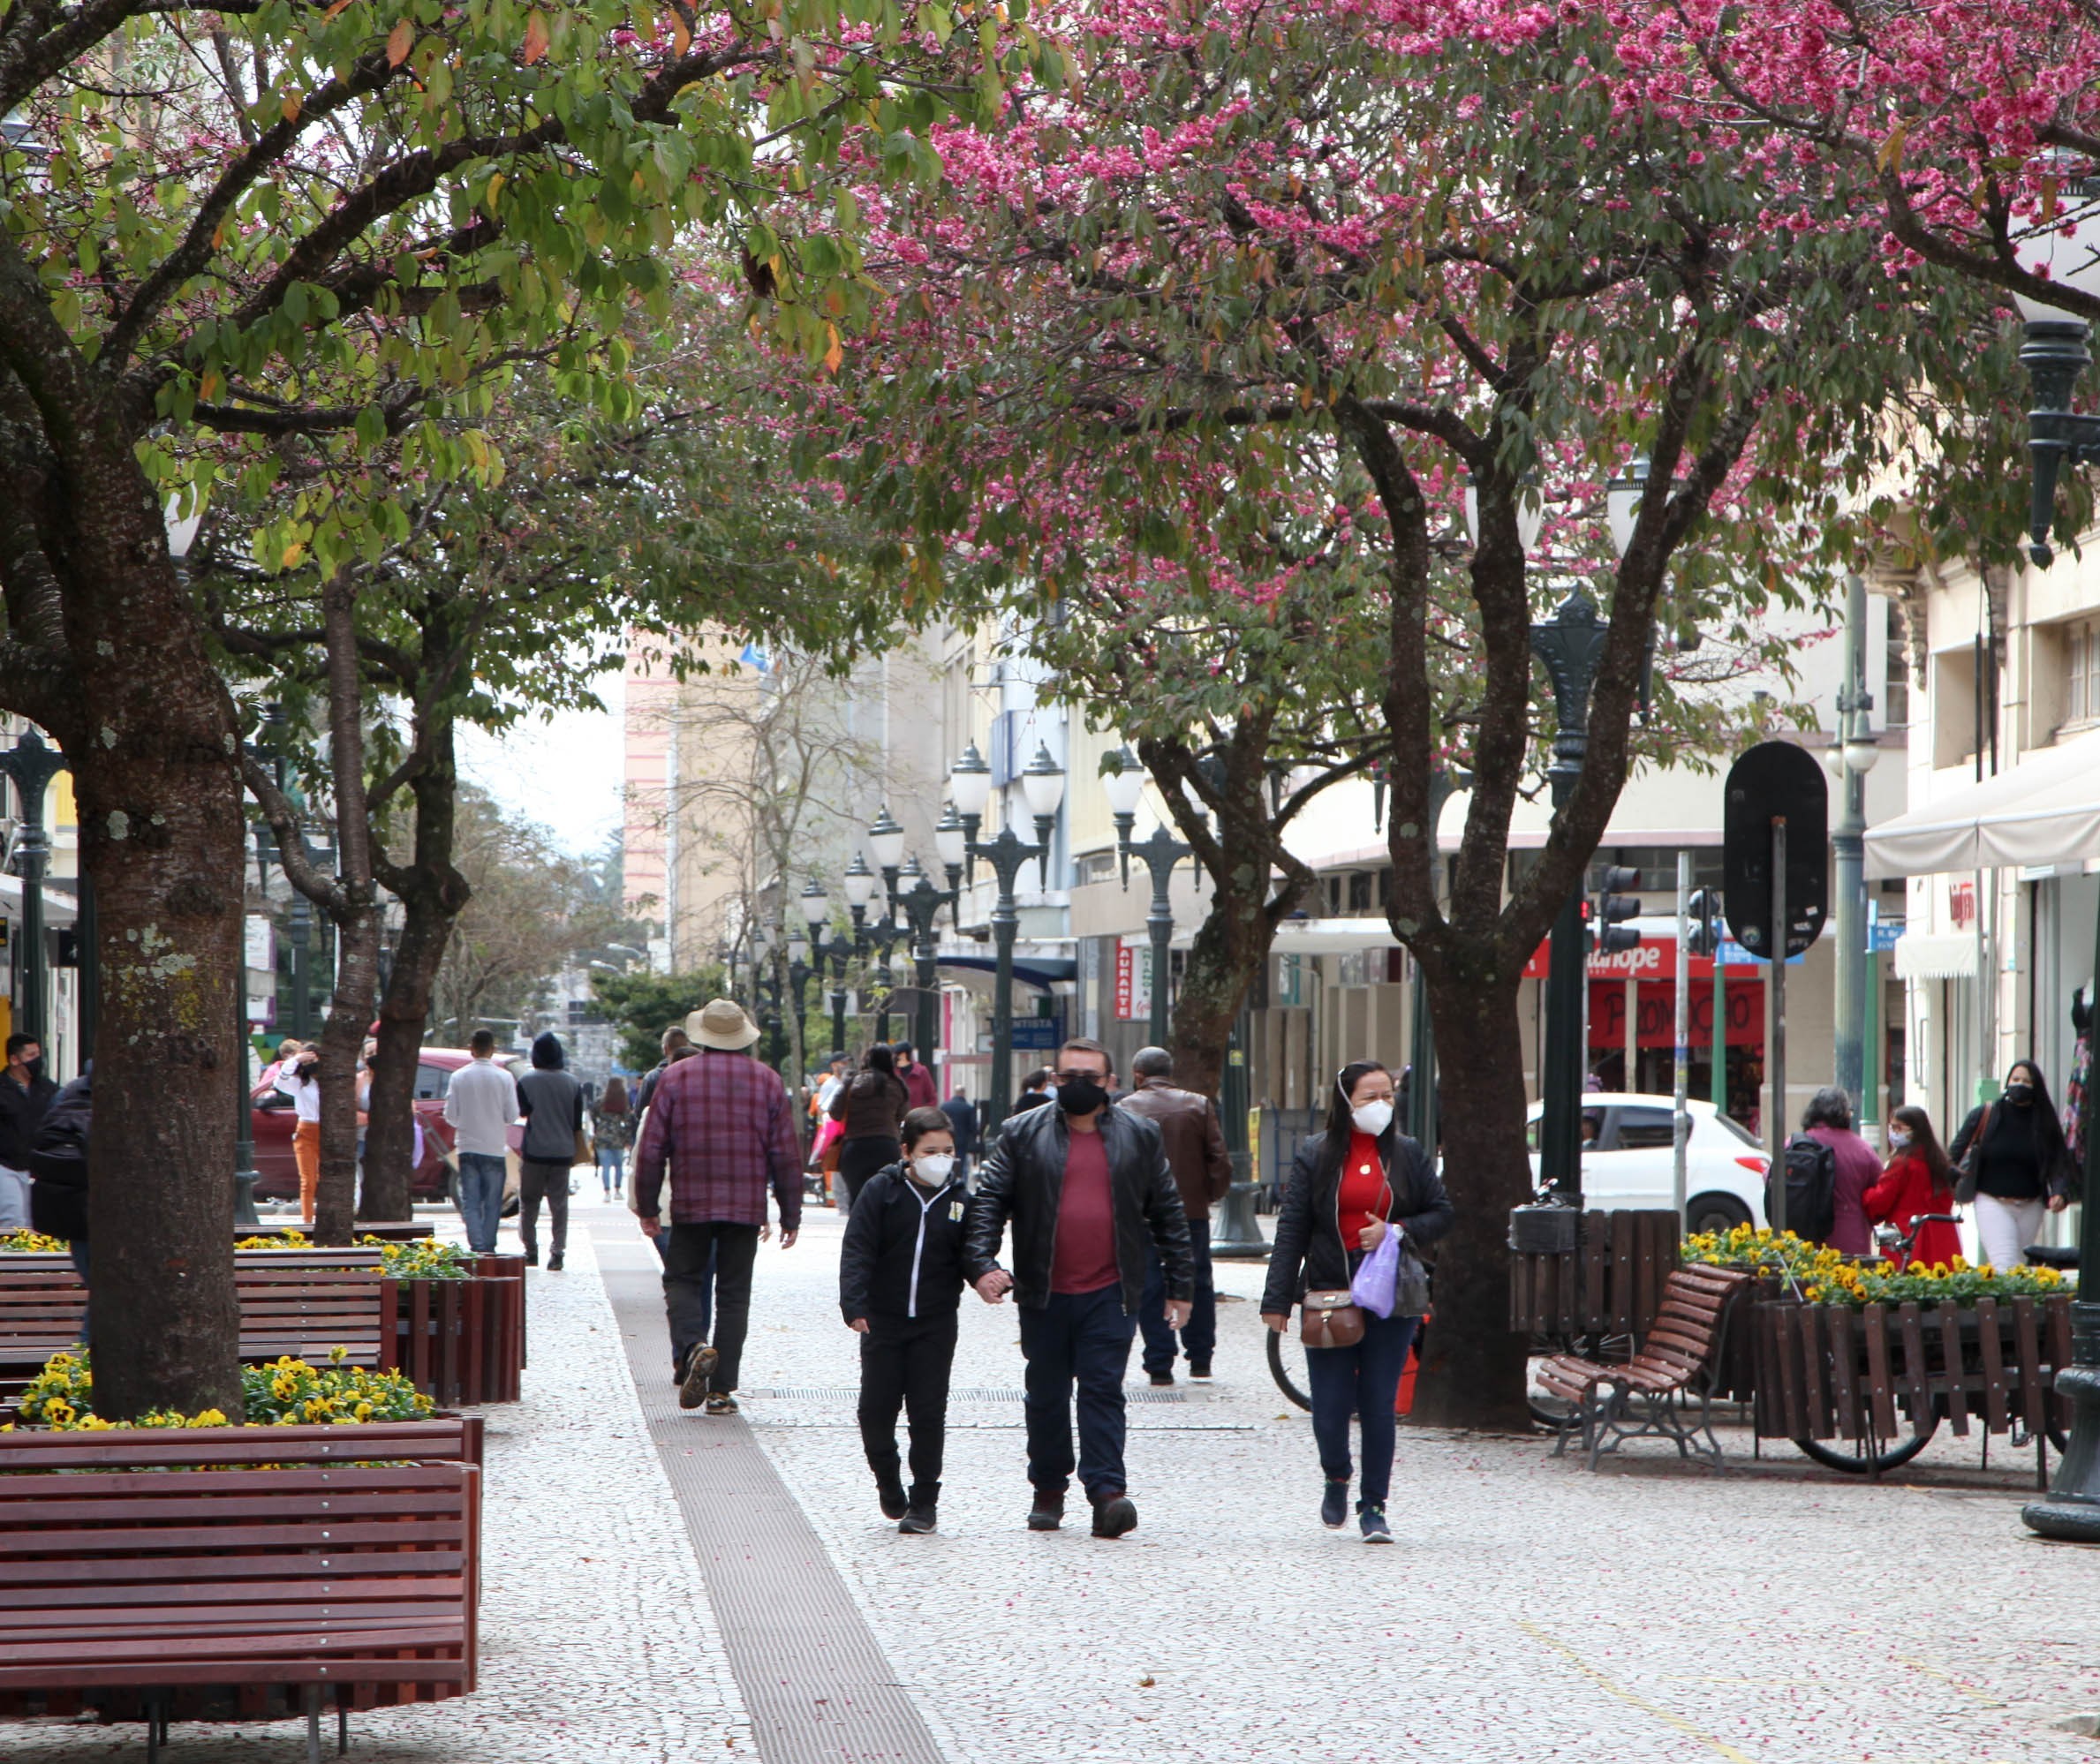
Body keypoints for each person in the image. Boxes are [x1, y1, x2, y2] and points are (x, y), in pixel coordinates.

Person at [963, 1037, 1192, 1540]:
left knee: (1102, 1390)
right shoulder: (1021, 1133)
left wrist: (1182, 1285)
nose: (1079, 1086)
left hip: (1112, 1291)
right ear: (1054, 1080)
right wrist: (982, 1264)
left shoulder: (1140, 1134)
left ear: (1112, 1083)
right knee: (1045, 1395)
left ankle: (1107, 1493)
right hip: (1044, 1291)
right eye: (1069, 1078)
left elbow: (1168, 1211)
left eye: (1090, 1077)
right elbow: (989, 1201)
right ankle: (1048, 1489)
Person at [1262, 1060, 1451, 1542]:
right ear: (1346, 1102)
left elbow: (1442, 1213)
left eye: (1387, 1095)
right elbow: (1292, 1229)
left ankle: (1374, 1506)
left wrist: (1395, 1231)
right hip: (1330, 1289)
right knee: (1329, 1404)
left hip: (1390, 1293)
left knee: (1378, 1403)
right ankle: (1336, 1475)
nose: (1381, 1105)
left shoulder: (1407, 1154)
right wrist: (1278, 1299)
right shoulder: (1316, 1155)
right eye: (1369, 1097)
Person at [634, 999, 803, 1414]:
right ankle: (721, 1390)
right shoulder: (767, 1081)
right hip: (745, 1208)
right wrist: (790, 1211)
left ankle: (693, 1348)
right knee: (733, 1295)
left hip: (691, 1203)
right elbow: (785, 1153)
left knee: (682, 1280)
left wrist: (648, 1204)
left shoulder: (674, 1079)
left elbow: (652, 1149)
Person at [840, 1105, 971, 1534]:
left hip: (935, 1323)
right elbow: (858, 1247)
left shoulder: (958, 1200)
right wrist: (855, 1304)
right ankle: (888, 1481)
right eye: (930, 1150)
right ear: (907, 1152)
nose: (940, 1159)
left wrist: (988, 1274)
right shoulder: (883, 1190)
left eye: (948, 1150)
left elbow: (972, 1251)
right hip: (883, 1320)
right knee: (875, 1411)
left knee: (927, 1412)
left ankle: (924, 1502)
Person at [1120, 1046, 1233, 1386]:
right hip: (1190, 1210)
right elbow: (1219, 1158)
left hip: (1143, 1214)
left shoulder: (1124, 1109)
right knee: (1197, 1279)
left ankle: (1159, 1362)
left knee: (1150, 1283)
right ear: (1170, 1072)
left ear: (1138, 1074)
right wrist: (1207, 1194)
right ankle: (1200, 1358)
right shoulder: (1197, 1104)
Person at [1951, 1059, 2078, 1271]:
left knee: (2016, 1264)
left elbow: (2059, 1162)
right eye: (2015, 1079)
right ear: (2007, 1082)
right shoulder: (1986, 1115)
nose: (2020, 1085)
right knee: (2005, 1264)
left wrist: (2059, 1192)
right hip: (1992, 1201)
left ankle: (2011, 1304)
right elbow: (1953, 1154)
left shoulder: (2044, 1122)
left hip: (2031, 1205)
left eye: (2027, 1081)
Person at [27, 1061, 90, 1340]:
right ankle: (87, 1361)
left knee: (104, 1292)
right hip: (102, 1211)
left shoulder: (67, 1093)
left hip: (74, 1212)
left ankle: (85, 1364)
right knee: (112, 1294)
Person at [444, 1029, 517, 1255]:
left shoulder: (458, 1076)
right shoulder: (504, 1077)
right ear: (492, 1049)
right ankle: (489, 1245)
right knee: (493, 1201)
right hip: (494, 1147)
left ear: (471, 1049)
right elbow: (512, 1115)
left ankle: (476, 1246)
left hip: (467, 1146)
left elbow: (450, 1115)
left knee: (471, 1200)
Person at [515, 1031, 583, 1270]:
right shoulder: (573, 1083)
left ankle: (530, 1250)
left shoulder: (526, 1081)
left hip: (534, 1150)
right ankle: (558, 1252)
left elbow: (522, 1112)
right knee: (559, 1204)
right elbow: (576, 1123)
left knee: (529, 1201)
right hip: (563, 1151)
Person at [1865, 1105, 1963, 1269]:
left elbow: (1879, 1202)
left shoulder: (1902, 1163)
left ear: (1915, 1130)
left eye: (1899, 1128)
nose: (1894, 1133)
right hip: (1942, 1238)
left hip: (1908, 1236)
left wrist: (1866, 1194)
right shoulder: (1939, 1161)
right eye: (1892, 1127)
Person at [1799, 1086, 1885, 1254]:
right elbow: (1881, 1192)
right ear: (1845, 1113)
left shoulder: (1795, 1144)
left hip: (1802, 1237)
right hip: (1850, 1238)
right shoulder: (1863, 1150)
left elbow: (1771, 1178)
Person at [829, 1044, 910, 1211]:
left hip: (855, 1148)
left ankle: (857, 1234)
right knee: (886, 1198)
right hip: (886, 1146)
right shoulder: (897, 1085)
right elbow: (902, 1116)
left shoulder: (851, 1082)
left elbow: (834, 1113)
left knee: (857, 1199)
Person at [0, 1034, 56, 1232]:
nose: (37, 1060)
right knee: (12, 1220)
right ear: (15, 1059)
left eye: (38, 1054)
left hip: (38, 1167)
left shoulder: (47, 1089)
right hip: (6, 1166)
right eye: (31, 1055)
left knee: (37, 1224)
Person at [275, 1042, 324, 1221]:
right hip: (306, 1129)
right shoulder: (301, 1083)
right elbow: (280, 1082)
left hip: (329, 1131)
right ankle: (307, 1220)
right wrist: (296, 1060)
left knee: (329, 1178)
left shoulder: (333, 1083)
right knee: (308, 1179)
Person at [633, 1024, 691, 1117]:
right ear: (688, 1047)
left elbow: (640, 1112)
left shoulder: (652, 1078)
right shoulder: (698, 1074)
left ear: (665, 1049)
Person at [593, 1076, 633, 1202]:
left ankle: (607, 1192)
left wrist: (597, 1127)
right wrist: (627, 1139)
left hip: (602, 1135)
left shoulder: (600, 1100)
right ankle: (617, 1190)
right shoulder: (622, 1101)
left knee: (605, 1166)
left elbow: (593, 1114)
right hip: (618, 1137)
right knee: (618, 1166)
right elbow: (628, 1122)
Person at [939, 1083, 980, 1185]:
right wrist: (974, 1137)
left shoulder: (945, 1106)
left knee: (947, 1160)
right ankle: (961, 1182)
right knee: (962, 1164)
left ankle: (946, 1180)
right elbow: (973, 1127)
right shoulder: (968, 1108)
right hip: (962, 1140)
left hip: (947, 1139)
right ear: (963, 1093)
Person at [894, 1042, 939, 1113]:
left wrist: (922, 1114)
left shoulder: (921, 1072)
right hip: (895, 1120)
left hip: (916, 1120)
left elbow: (932, 1099)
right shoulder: (892, 1073)